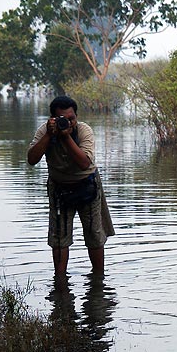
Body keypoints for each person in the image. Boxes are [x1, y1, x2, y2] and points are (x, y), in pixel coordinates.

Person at [27, 95, 114, 276]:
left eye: (72, 118)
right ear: (53, 119)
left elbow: (84, 163)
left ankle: (98, 280)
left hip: (87, 185)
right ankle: (60, 281)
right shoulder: (45, 131)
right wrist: (50, 135)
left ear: (76, 116)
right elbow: (32, 159)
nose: (69, 123)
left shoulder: (84, 131)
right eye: (63, 120)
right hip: (59, 188)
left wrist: (66, 137)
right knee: (59, 238)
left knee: (95, 235)